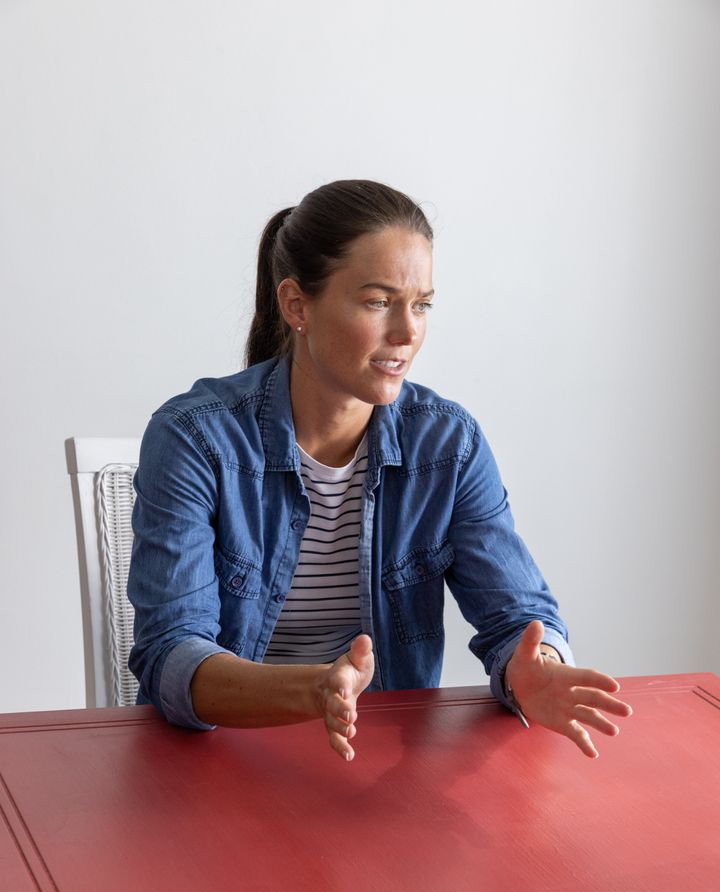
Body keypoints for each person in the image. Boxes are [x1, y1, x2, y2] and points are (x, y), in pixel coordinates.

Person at [127, 178, 631, 761]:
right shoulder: (194, 438)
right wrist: (315, 689)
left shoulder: (449, 442)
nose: (408, 332)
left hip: (373, 759)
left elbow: (516, 616)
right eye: (377, 301)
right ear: (297, 305)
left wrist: (536, 669)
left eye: (421, 305)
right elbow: (172, 653)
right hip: (215, 759)